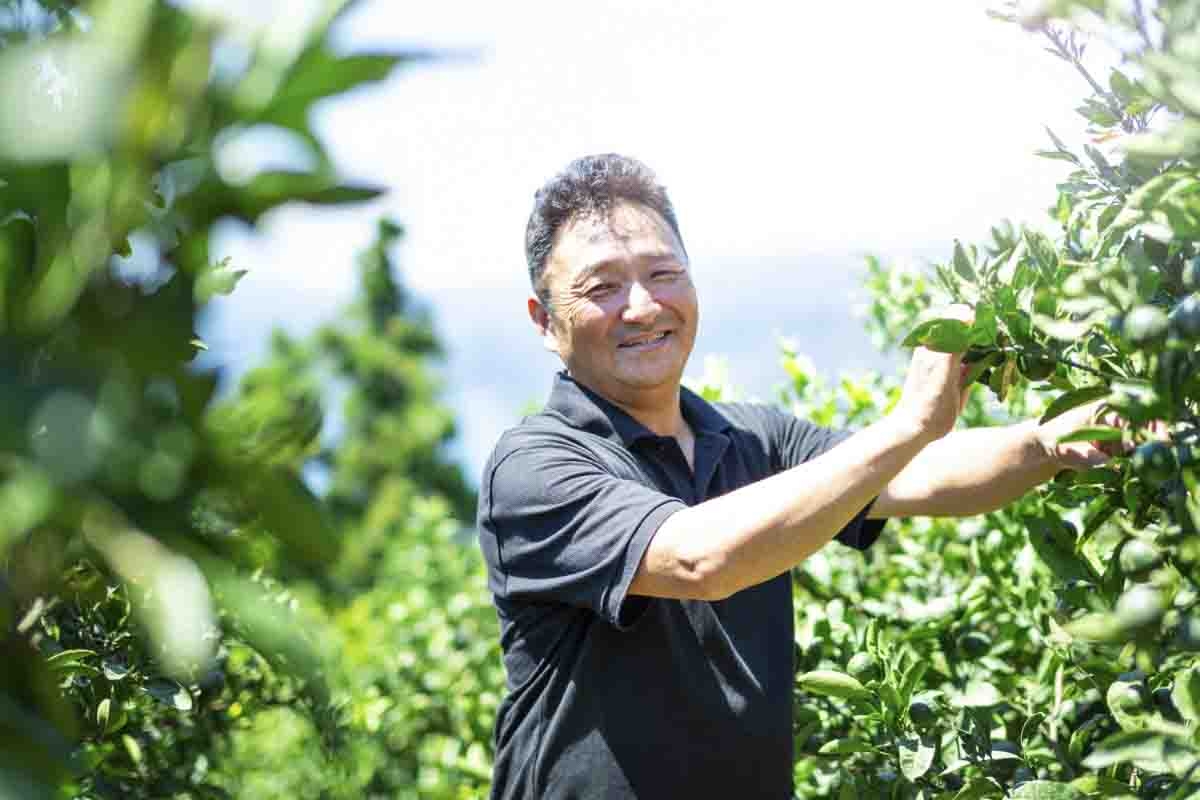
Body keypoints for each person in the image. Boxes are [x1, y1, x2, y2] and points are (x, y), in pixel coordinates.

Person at [475, 153, 1124, 799]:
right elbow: (701, 559)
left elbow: (914, 475)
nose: (643, 307)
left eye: (663, 273)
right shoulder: (536, 467)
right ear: (545, 321)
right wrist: (908, 425)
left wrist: (1049, 439)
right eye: (602, 288)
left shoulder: (751, 438)